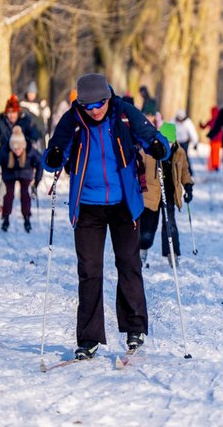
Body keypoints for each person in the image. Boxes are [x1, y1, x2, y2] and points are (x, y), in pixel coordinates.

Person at [43, 73, 169, 360]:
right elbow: (55, 148)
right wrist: (53, 157)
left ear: (108, 98)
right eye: (88, 106)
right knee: (89, 271)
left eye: (99, 103)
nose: (95, 110)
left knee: (128, 263)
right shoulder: (73, 120)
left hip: (124, 203)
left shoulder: (123, 113)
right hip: (87, 205)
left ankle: (134, 328)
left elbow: (151, 137)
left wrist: (159, 146)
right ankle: (88, 338)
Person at [139, 122, 193, 268]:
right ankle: (141, 252)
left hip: (169, 193)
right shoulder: (149, 150)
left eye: (170, 141)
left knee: (170, 224)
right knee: (148, 225)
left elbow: (184, 171)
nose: (167, 145)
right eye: (165, 141)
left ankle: (172, 254)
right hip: (151, 194)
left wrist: (188, 186)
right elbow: (138, 166)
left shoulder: (179, 152)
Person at [0, 126, 43, 232]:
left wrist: (36, 182)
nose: (17, 151)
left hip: (25, 173)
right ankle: (6, 218)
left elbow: (40, 164)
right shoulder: (5, 149)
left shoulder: (30, 149)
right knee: (9, 194)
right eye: (14, 149)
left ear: (24, 146)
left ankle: (27, 218)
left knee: (25, 193)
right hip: (9, 173)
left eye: (20, 148)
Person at [0, 94, 41, 163]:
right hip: (6, 153)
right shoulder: (0, 120)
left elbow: (33, 131)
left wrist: (34, 137)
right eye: (9, 112)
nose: (11, 115)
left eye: (14, 112)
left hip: (22, 154)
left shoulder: (25, 120)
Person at [19, 81, 51, 148]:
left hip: (40, 131)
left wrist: (44, 107)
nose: (31, 95)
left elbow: (47, 114)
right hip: (27, 131)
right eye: (29, 93)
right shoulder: (23, 103)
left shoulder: (40, 103)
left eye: (32, 93)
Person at [173, 110, 199, 178]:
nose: (180, 120)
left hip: (184, 142)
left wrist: (195, 142)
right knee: (175, 157)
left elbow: (192, 132)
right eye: (179, 118)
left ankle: (189, 172)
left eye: (182, 119)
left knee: (185, 157)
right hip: (176, 142)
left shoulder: (187, 123)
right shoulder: (173, 122)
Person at [199, 106, 222, 172]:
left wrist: (201, 125)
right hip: (218, 140)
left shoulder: (212, 120)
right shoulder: (219, 120)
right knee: (216, 153)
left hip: (213, 139)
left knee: (213, 152)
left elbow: (204, 126)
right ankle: (215, 165)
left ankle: (213, 165)